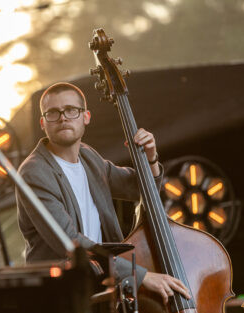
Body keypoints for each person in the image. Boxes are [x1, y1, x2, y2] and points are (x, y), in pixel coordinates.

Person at [16, 82, 190, 304]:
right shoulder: (34, 173)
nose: (63, 118)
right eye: (53, 113)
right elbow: (69, 243)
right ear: (42, 123)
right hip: (62, 295)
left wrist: (151, 159)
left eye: (71, 110)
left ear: (85, 117)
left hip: (103, 284)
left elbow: (140, 189)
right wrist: (141, 276)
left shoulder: (89, 157)